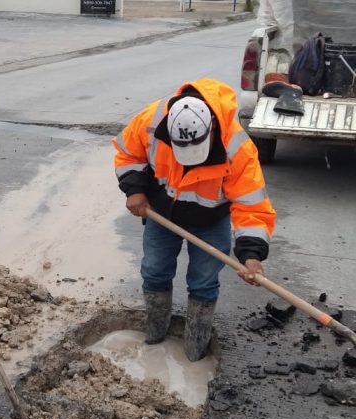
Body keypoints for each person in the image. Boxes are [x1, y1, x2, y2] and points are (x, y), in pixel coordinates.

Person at [112, 78, 276, 361]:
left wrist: (251, 255)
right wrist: (135, 190)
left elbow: (251, 206)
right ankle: (155, 335)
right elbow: (128, 153)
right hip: (161, 215)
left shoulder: (238, 149)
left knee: (203, 282)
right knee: (154, 271)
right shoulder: (151, 120)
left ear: (211, 128)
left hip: (210, 221)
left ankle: (196, 349)